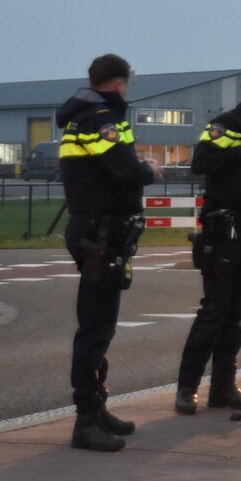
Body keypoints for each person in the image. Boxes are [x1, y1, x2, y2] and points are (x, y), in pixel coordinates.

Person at [57, 53, 162, 452]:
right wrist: (149, 170)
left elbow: (109, 167)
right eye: (129, 84)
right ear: (120, 84)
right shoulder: (101, 119)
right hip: (98, 235)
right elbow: (120, 170)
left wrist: (135, 165)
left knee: (102, 327)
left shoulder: (84, 116)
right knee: (96, 329)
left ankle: (97, 408)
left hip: (99, 232)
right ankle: (85, 421)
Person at [174, 68, 241, 415]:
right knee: (214, 311)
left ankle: (223, 387)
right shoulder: (227, 123)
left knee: (237, 314)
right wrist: (238, 153)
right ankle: (186, 389)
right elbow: (200, 163)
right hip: (225, 233)